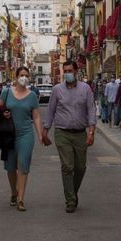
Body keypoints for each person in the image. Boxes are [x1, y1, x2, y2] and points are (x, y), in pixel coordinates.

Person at [42, 60, 96, 213]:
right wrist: (45, 131)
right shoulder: (57, 90)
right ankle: (70, 200)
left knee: (80, 167)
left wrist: (91, 132)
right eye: (65, 71)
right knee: (67, 166)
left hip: (80, 133)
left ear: (76, 71)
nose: (67, 74)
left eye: (70, 71)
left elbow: (91, 110)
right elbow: (50, 111)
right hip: (62, 133)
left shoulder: (86, 89)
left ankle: (72, 192)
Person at [0, 67, 46, 212]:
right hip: (9, 135)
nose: (24, 78)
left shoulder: (31, 96)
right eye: (21, 75)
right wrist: (3, 113)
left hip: (26, 135)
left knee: (23, 166)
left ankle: (21, 199)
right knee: (11, 167)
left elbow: (36, 116)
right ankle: (14, 192)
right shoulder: (7, 92)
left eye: (26, 75)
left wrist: (39, 134)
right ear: (16, 77)